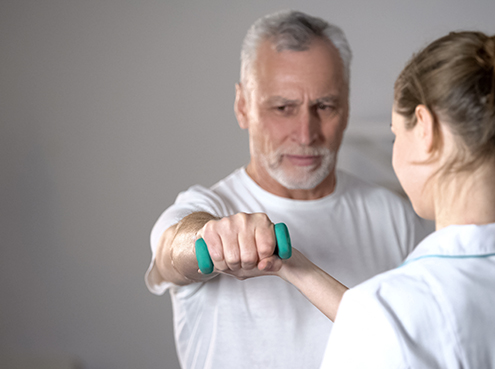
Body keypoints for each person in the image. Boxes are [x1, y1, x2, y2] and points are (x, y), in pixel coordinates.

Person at [272, 18, 495, 368]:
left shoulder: (384, 311)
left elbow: (393, 323)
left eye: (397, 135)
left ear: (425, 129)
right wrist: (299, 269)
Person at [145, 10, 427, 369]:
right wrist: (209, 237)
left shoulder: (395, 217)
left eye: (324, 106)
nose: (306, 134)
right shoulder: (210, 204)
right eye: (283, 108)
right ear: (243, 106)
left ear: (347, 106)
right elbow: (172, 252)